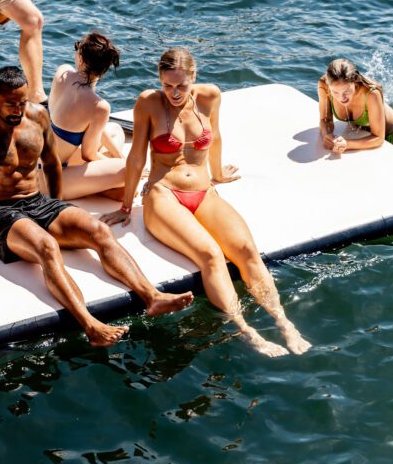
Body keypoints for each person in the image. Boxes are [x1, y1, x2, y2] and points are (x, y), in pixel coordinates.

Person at [0, 66, 194, 347]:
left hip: (39, 201)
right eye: (10, 103)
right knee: (47, 247)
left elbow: (50, 163)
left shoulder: (37, 116)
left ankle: (152, 297)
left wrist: (59, 205)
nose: (18, 110)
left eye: (22, 102)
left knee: (97, 230)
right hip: (1, 212)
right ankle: (90, 324)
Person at [101, 49, 311, 357]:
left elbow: (218, 137)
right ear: (160, 80)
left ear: (193, 79)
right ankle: (247, 331)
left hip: (203, 191)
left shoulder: (210, 97)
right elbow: (136, 157)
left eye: (181, 86)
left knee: (247, 251)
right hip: (163, 193)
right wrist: (125, 205)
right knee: (211, 255)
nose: (174, 92)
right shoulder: (148, 102)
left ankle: (284, 323)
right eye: (168, 85)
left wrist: (218, 173)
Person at [46, 32, 126, 200]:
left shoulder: (63, 72)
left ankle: (95, 183)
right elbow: (88, 155)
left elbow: (90, 131)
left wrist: (120, 157)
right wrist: (122, 165)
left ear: (81, 58)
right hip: (49, 180)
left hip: (40, 163)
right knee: (126, 173)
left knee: (115, 129)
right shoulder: (99, 106)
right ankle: (98, 186)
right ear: (103, 71)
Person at [318, 58, 393, 152]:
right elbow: (325, 120)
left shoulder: (371, 94)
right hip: (363, 130)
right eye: (335, 92)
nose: (342, 98)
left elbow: (378, 138)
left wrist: (347, 144)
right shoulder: (324, 84)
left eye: (346, 91)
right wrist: (327, 135)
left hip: (392, 134)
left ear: (355, 83)